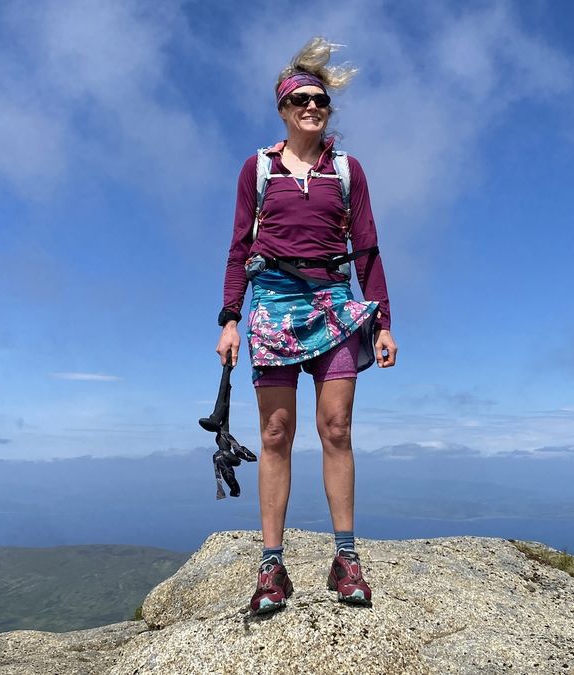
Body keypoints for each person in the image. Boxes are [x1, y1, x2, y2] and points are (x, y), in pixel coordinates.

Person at [215, 37, 398, 616]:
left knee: (337, 428)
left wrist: (384, 322)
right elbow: (239, 248)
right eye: (301, 101)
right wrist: (229, 319)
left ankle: (346, 559)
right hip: (271, 303)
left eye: (319, 100)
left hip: (334, 305)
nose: (312, 108)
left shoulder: (347, 171)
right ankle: (272, 566)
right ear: (283, 109)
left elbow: (366, 248)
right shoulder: (259, 169)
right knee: (275, 435)